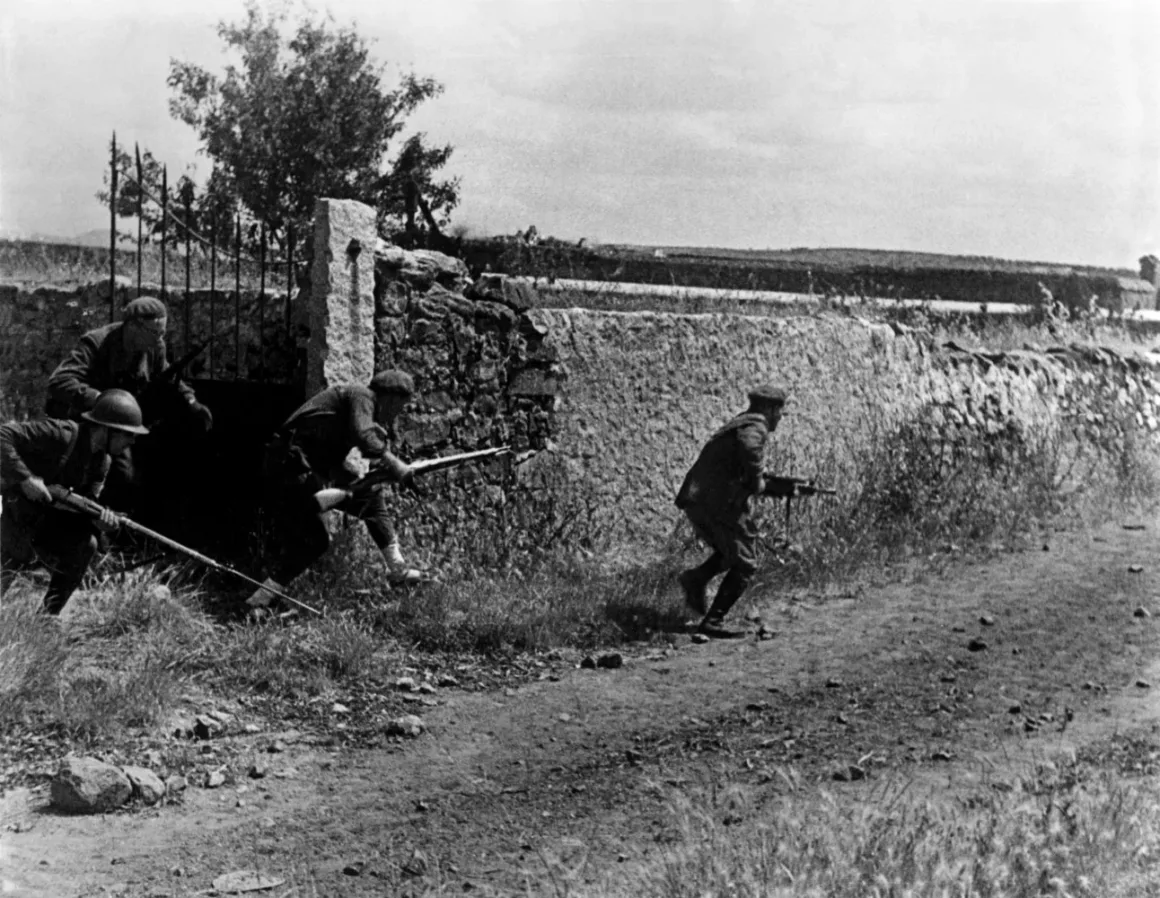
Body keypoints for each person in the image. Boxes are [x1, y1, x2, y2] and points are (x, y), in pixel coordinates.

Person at [245, 370, 423, 613]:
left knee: (367, 498)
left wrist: (368, 477)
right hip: (289, 468)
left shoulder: (354, 409)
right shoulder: (361, 396)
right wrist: (395, 464)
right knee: (316, 537)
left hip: (301, 469)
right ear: (390, 398)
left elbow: (332, 460)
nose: (396, 415)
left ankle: (398, 569)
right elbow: (363, 434)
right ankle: (260, 599)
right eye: (399, 407)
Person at [45, 295, 213, 520]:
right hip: (88, 423)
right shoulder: (97, 343)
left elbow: (167, 375)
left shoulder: (154, 347)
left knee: (128, 478)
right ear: (133, 326)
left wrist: (191, 401)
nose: (159, 340)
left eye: (163, 333)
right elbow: (60, 381)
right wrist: (104, 401)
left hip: (121, 427)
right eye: (154, 333)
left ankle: (112, 527)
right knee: (98, 477)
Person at [0, 390, 149, 615]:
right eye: (128, 434)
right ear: (107, 429)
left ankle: (47, 617)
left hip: (41, 525)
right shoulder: (61, 434)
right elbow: (2, 435)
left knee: (86, 544)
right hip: (12, 517)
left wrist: (99, 524)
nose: (132, 442)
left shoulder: (102, 463)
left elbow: (83, 505)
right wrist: (26, 479)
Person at [674, 384, 788, 638]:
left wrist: (768, 484)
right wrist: (758, 480)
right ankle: (713, 622)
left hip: (701, 499)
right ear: (769, 409)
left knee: (732, 552)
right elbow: (749, 448)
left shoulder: (740, 423)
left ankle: (696, 579)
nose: (780, 417)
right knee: (746, 563)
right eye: (779, 411)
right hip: (714, 503)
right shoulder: (755, 426)